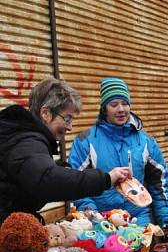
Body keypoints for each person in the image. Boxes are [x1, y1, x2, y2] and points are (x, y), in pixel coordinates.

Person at [0, 77, 129, 224]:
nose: (70, 127)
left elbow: (32, 180)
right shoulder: (27, 141)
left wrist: (61, 169)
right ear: (45, 113)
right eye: (67, 119)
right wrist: (106, 179)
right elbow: (48, 181)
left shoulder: (23, 136)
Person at [69, 77, 168, 228]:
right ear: (104, 108)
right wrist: (92, 215)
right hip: (103, 222)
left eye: (125, 103)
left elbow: (159, 182)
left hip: (140, 220)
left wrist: (166, 219)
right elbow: (77, 183)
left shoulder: (145, 142)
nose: (121, 109)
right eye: (114, 104)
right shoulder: (86, 141)